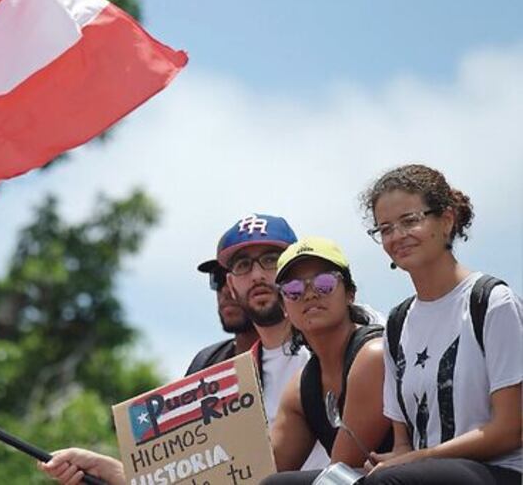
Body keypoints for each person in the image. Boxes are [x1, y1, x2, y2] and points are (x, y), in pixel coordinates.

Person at [40, 214, 331, 484]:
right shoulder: (219, 367)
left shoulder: (339, 339)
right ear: (230, 283)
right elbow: (198, 472)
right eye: (242, 266)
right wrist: (115, 473)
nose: (256, 275)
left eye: (270, 260)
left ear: (294, 268)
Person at [358, 164, 522, 485]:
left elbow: (511, 429)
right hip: (420, 472)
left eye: (410, 221)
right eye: (386, 228)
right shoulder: (397, 322)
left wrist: (414, 460)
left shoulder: (492, 301)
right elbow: (403, 441)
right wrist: (398, 458)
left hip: (501, 471)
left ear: (446, 221)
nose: (397, 236)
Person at [260, 237, 393, 485]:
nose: (309, 294)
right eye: (293, 290)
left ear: (350, 294)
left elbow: (342, 468)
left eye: (324, 283)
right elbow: (266, 468)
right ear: (284, 307)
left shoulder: (373, 354)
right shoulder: (302, 387)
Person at [185, 257, 258, 373]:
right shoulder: (206, 362)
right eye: (218, 279)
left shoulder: (295, 359)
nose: (226, 290)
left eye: (238, 277)